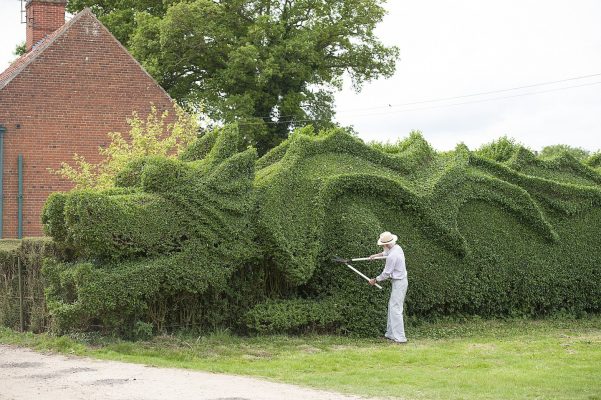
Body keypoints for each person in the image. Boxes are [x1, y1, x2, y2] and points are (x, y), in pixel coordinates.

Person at [368, 231, 408, 343]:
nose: (382, 246)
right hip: (398, 282)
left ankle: (400, 339)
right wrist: (375, 256)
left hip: (400, 282)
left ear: (386, 244)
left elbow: (386, 273)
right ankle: (390, 334)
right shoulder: (396, 248)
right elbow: (385, 253)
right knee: (392, 307)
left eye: (382, 245)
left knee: (396, 309)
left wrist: (375, 280)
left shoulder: (392, 256)